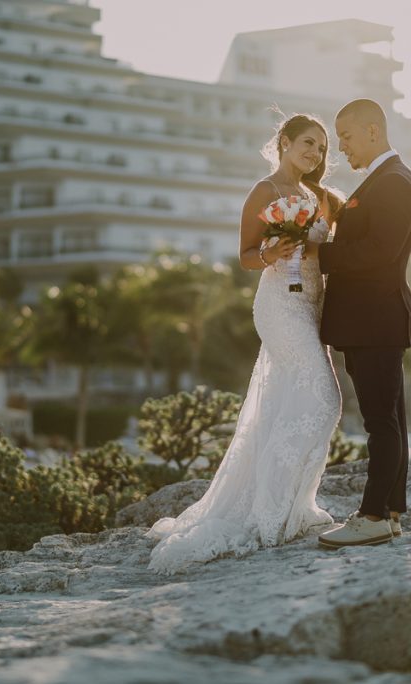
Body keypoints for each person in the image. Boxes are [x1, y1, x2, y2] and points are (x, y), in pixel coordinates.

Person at [146, 113, 344, 574]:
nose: (315, 154)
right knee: (324, 397)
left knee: (284, 402)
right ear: (285, 142)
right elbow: (244, 256)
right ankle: (269, 512)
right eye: (308, 144)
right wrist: (271, 253)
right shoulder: (264, 191)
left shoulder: (319, 197)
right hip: (278, 306)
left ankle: (297, 505)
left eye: (322, 148)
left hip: (312, 305)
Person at [311, 99, 411, 549]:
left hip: (376, 319)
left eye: (347, 136)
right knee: (390, 420)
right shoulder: (382, 180)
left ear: (374, 131)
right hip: (369, 321)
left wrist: (319, 254)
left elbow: (379, 252)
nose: (340, 147)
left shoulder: (394, 182)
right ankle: (391, 511)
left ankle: (373, 514)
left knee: (381, 422)